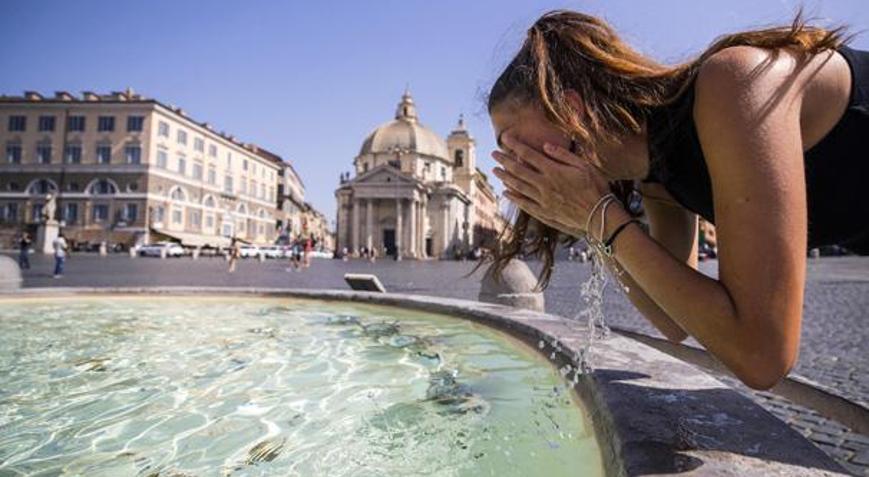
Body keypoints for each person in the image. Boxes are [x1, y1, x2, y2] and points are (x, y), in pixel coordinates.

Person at [487, 10, 868, 390]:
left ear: (571, 110)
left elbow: (762, 356)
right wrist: (589, 224)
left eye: (510, 141)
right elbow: (672, 320)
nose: (509, 162)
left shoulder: (731, 84)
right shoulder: (656, 177)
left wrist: (600, 216)